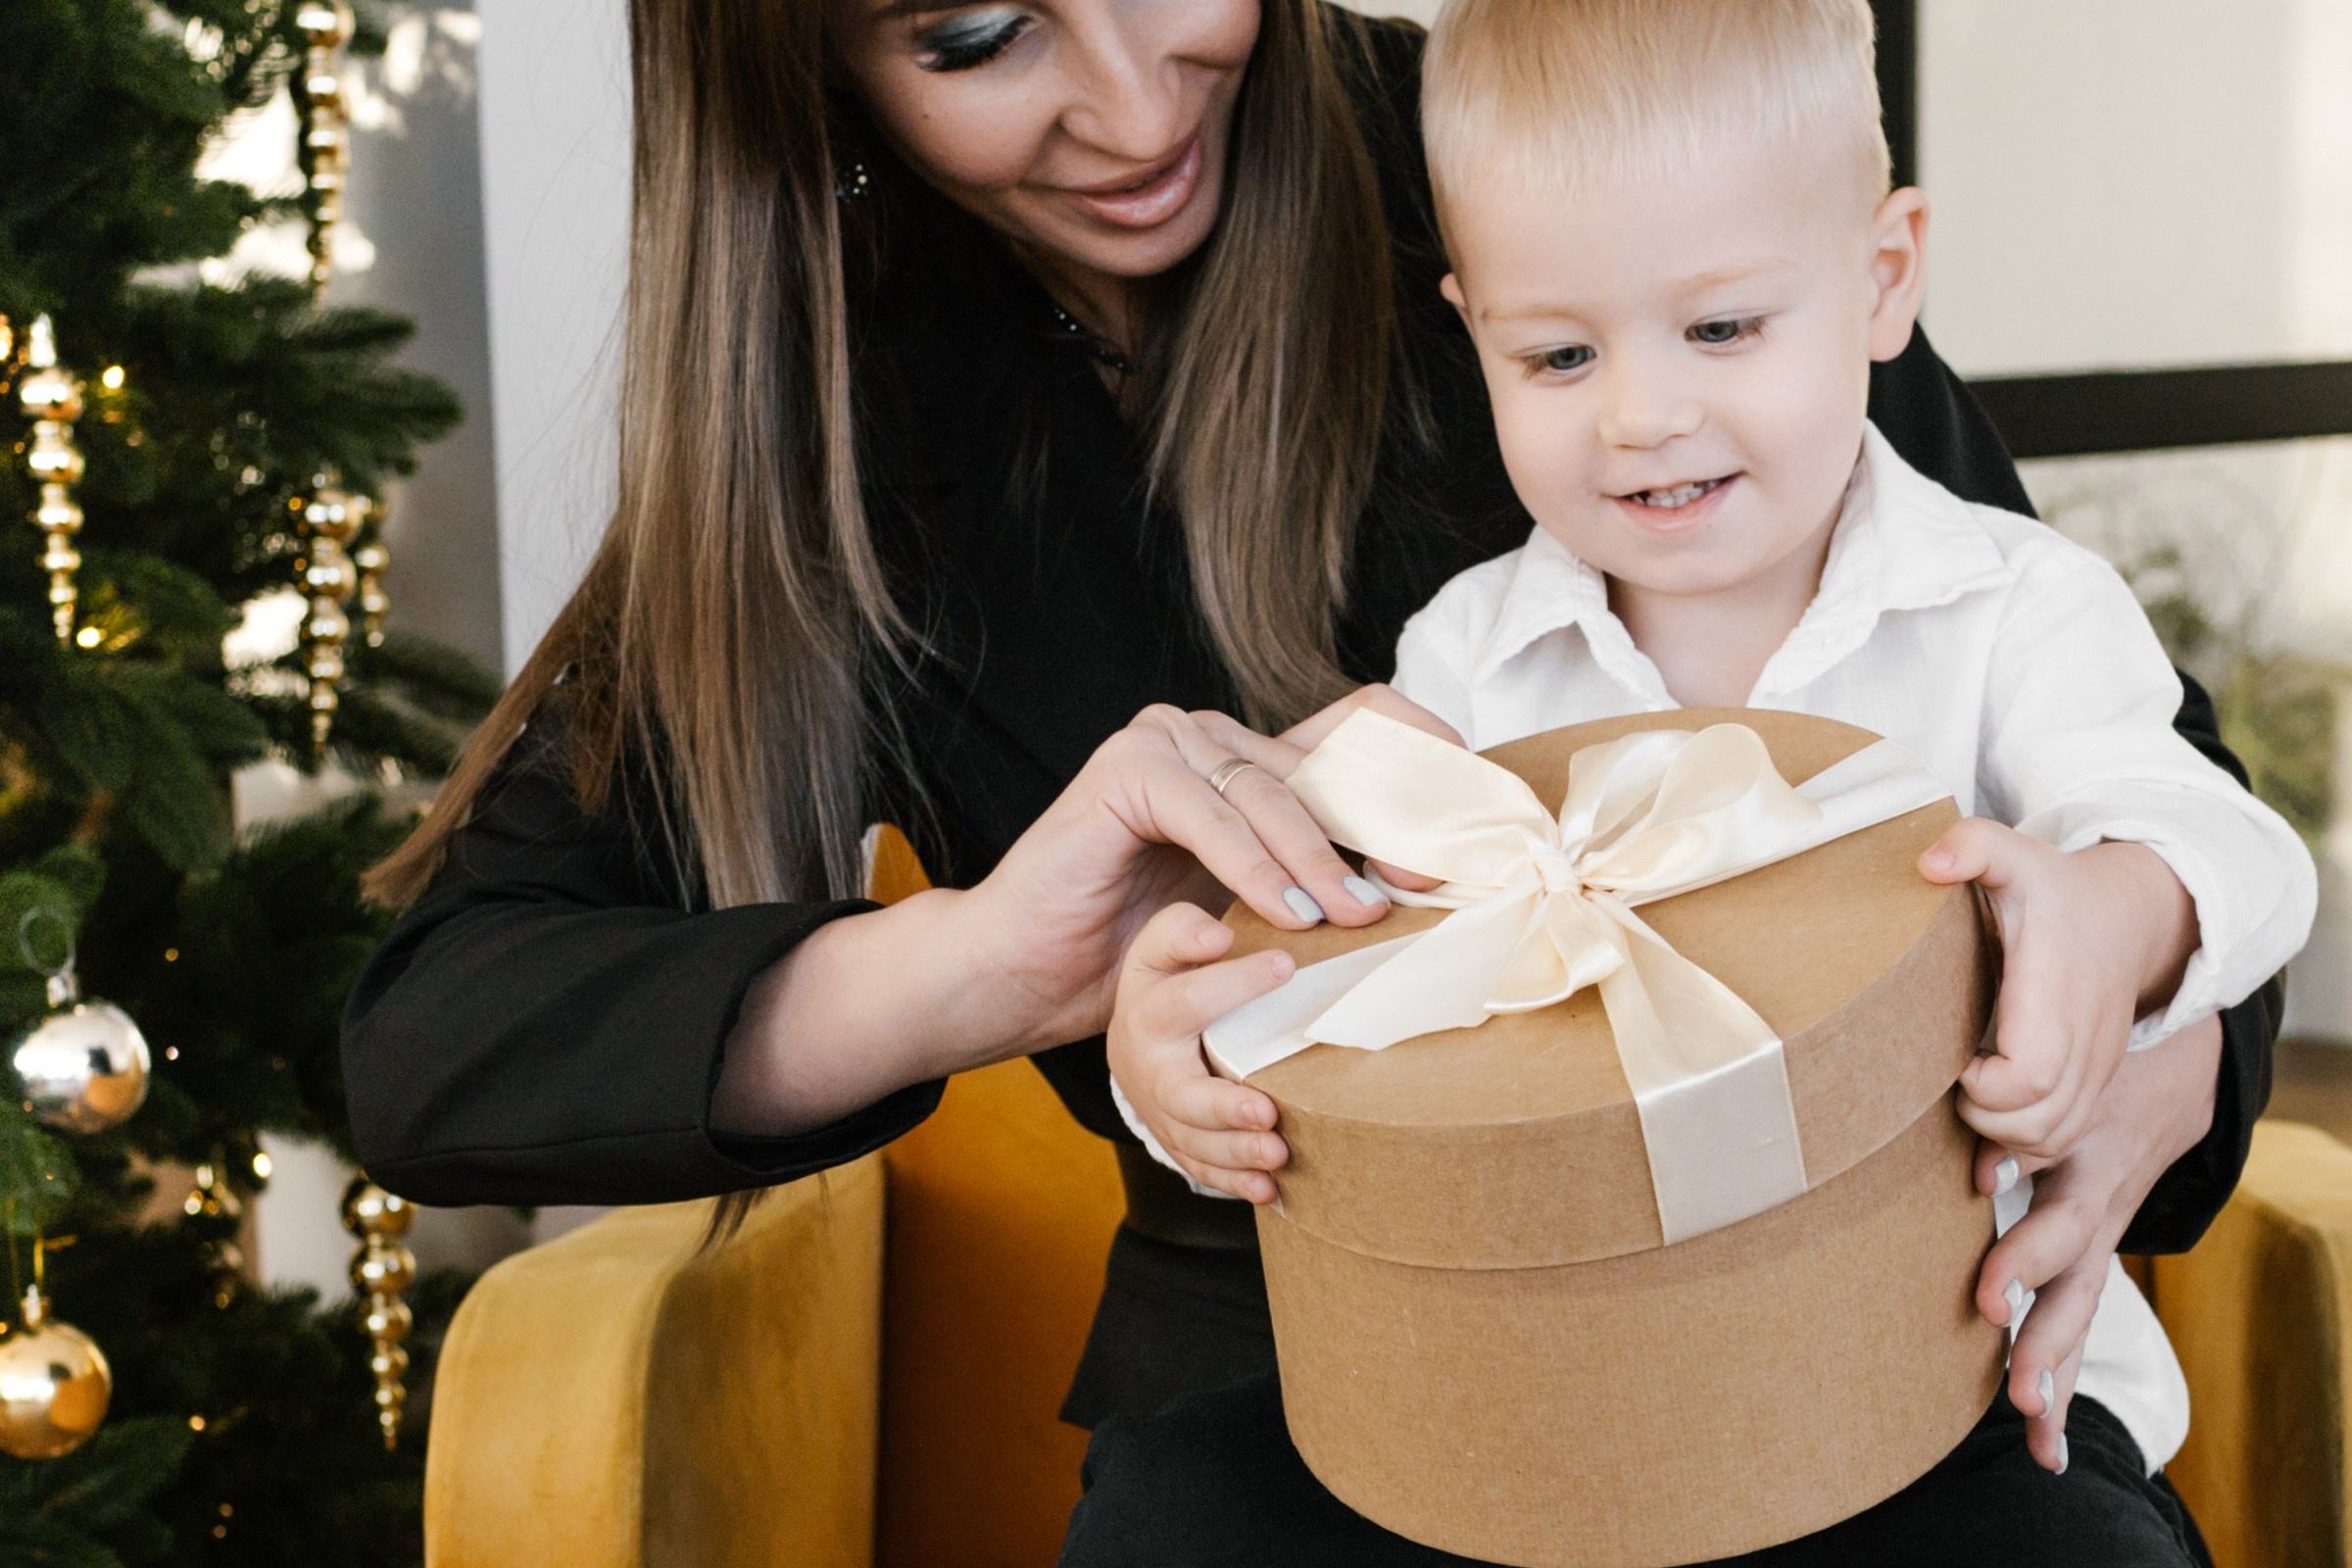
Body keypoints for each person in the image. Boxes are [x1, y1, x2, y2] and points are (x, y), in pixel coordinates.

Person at [343, 0, 2278, 1517]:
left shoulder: (1590, 152)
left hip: (1870, 1298)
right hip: (1301, 1357)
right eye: (975, 36)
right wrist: (1003, 966)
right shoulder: (837, 421)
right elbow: (437, 1037)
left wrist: (2137, 1054)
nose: (1132, 99)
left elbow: (2142, 794)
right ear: (808, 69)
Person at [1087, 1, 2314, 1562]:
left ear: (1884, 279)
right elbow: (1322, 962)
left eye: (1723, 329)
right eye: (1559, 353)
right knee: (1169, 1507)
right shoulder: (1464, 664)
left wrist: (2119, 909)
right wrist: (1173, 1059)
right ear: (1474, 334)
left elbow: (2232, 848)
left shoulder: (2014, 612)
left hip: (1951, 1383)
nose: (1642, 417)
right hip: (1552, 1396)